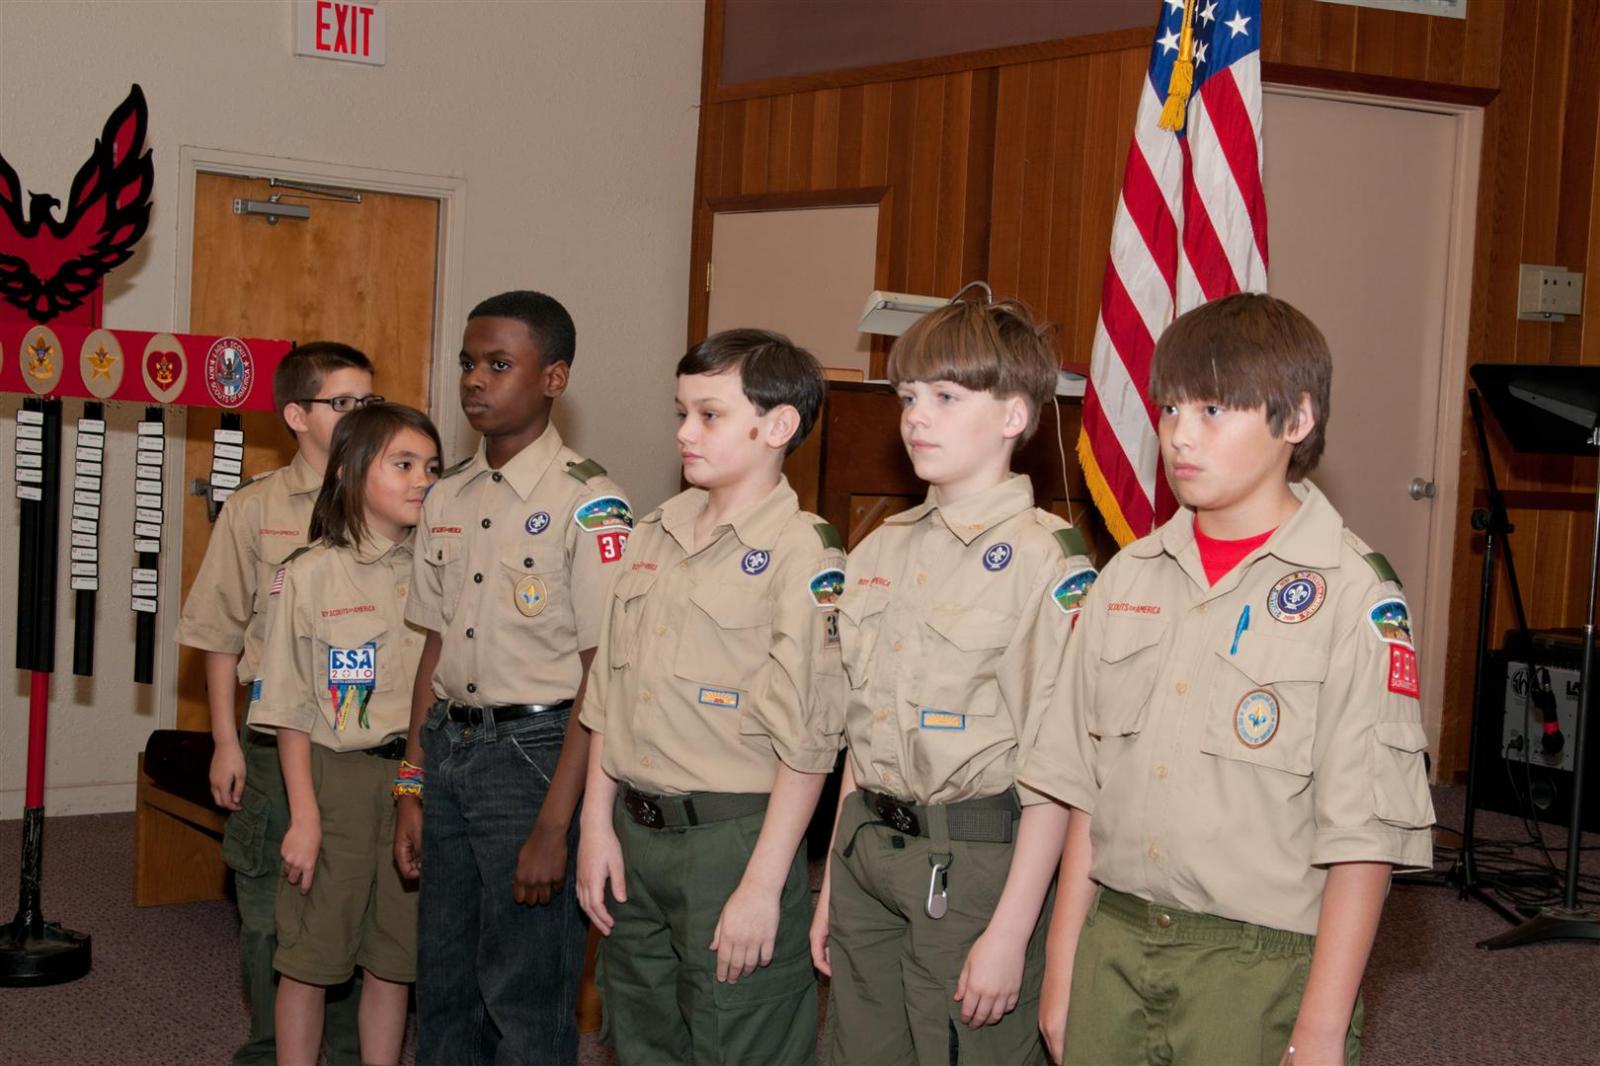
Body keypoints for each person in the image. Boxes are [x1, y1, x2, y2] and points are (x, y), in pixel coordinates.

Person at [1025, 292, 1436, 1066]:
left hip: (1259, 966)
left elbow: (1365, 836)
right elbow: (1087, 790)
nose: (1181, 435)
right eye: (1171, 409)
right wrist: (1063, 963)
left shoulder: (1352, 594)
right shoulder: (1128, 579)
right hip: (1115, 941)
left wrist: (1321, 1029)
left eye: (1214, 410)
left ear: (1296, 419)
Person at [812, 297, 1096, 1066]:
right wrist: (834, 881)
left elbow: (1060, 771)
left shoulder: (1047, 562)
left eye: (945, 397)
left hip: (971, 865)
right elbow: (862, 730)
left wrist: (1011, 933)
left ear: (1013, 415)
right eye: (908, 397)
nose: (916, 418)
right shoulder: (882, 547)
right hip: (868, 846)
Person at [576, 329, 845, 1065]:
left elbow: (810, 740)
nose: (684, 433)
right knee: (640, 1034)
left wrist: (762, 885)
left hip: (731, 841)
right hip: (637, 833)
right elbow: (609, 696)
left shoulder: (804, 553)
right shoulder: (652, 534)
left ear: (778, 426)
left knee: (739, 1036)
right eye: (681, 413)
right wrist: (596, 825)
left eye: (709, 415)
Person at [394, 290, 630, 1065]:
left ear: (553, 378)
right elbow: (433, 649)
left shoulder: (589, 503)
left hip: (535, 757)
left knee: (525, 989)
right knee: (445, 979)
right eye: (468, 363)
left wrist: (556, 827)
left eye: (499, 365)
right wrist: (410, 782)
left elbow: (603, 679)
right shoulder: (447, 495)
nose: (474, 380)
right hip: (449, 747)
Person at [175, 341, 377, 1066]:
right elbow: (218, 632)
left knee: (355, 908)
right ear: (296, 415)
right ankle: (271, 1050)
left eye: (370, 402)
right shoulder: (256, 507)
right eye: (343, 403)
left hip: (359, 744)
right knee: (266, 906)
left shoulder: (394, 497)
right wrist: (225, 742)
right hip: (270, 740)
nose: (360, 414)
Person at [248, 402, 440, 1066]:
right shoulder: (307, 575)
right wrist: (303, 818)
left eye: (432, 467)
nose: (423, 480)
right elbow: (290, 709)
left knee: (394, 959)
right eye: (404, 464)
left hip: (417, 779)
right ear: (351, 471)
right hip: (336, 784)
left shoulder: (438, 571)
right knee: (310, 958)